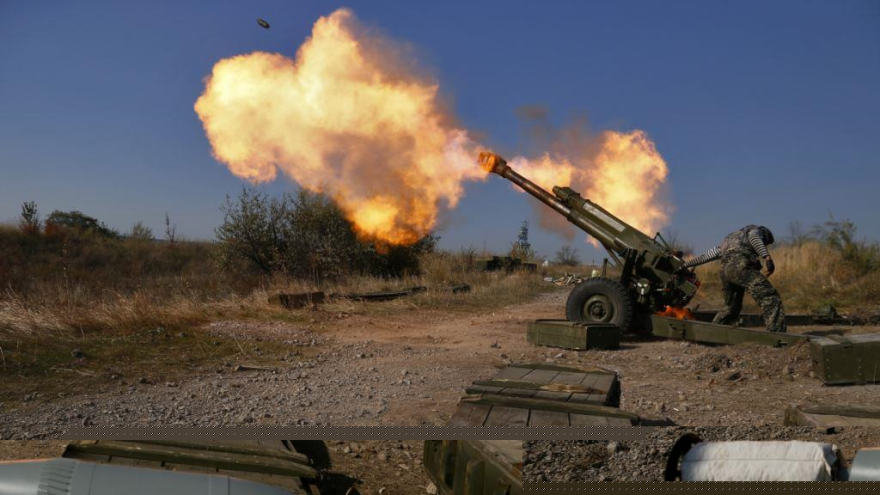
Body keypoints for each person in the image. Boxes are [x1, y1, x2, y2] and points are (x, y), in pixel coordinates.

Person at [683, 225, 786, 333]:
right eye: (766, 243)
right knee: (770, 297)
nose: (765, 245)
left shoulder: (730, 239)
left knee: (731, 308)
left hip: (725, 272)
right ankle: (777, 334)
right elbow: (754, 238)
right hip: (740, 267)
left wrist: (687, 264)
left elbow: (708, 255)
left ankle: (712, 333)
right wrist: (767, 258)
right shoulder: (754, 231)